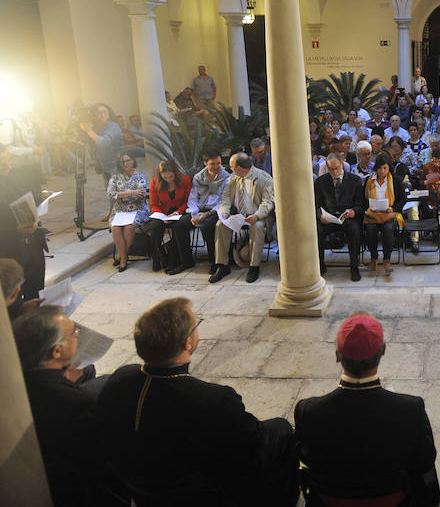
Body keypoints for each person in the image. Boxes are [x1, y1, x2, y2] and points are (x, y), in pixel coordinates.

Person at [96, 297, 299, 505]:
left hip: (140, 489)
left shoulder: (121, 377)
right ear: (188, 342)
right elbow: (252, 445)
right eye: (196, 325)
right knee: (280, 429)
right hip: (200, 496)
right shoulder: (214, 400)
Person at [294, 312, 440, 505]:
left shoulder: (308, 411)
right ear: (384, 350)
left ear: (337, 356)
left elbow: (307, 458)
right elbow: (424, 459)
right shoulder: (410, 409)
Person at [12, 306, 104, 505]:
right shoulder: (79, 404)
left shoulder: (12, 383)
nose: (77, 335)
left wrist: (61, 380)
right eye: (74, 333)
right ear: (56, 351)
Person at [209, 152, 275, 284]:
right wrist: (224, 212)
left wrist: (256, 216)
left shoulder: (264, 178)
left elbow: (268, 202)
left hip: (258, 216)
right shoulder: (233, 178)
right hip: (238, 216)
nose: (230, 169)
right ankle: (222, 265)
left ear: (239, 167)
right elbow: (225, 198)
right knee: (220, 225)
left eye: (232, 166)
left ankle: (254, 266)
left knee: (257, 226)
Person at [0, 143, 47, 299]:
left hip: (33, 244)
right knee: (14, 298)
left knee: (36, 291)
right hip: (9, 249)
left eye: (9, 161)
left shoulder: (14, 174)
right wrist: (15, 229)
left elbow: (25, 193)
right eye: (2, 164)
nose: (8, 167)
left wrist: (40, 195)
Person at [316, 153, 366, 281]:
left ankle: (354, 267)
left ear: (342, 165)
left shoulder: (355, 180)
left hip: (347, 217)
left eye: (337, 168)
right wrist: (320, 215)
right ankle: (320, 265)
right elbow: (316, 204)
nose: (334, 172)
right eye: (331, 169)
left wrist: (353, 211)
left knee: (354, 231)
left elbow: (361, 204)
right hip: (329, 218)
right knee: (317, 231)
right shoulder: (321, 181)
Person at [145, 159, 193, 274]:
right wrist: (161, 215)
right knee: (155, 226)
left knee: (178, 225)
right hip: (163, 213)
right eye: (165, 178)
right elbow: (154, 204)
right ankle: (157, 256)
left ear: (175, 173)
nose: (168, 180)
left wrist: (177, 213)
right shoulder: (155, 182)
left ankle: (174, 259)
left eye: (170, 177)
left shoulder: (185, 180)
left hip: (181, 211)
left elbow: (188, 201)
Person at [187, 149, 229, 273]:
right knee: (180, 224)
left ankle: (214, 260)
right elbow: (193, 197)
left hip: (216, 210)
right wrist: (194, 214)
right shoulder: (198, 177)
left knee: (207, 226)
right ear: (205, 163)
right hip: (200, 208)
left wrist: (206, 214)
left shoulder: (226, 177)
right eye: (212, 164)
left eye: (218, 163)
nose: (216, 166)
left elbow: (224, 201)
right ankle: (185, 260)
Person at [106, 150, 149, 272]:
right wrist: (131, 192)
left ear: (133, 160)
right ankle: (124, 255)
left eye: (127, 160)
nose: (125, 164)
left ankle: (122, 257)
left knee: (129, 227)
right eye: (122, 162)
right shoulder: (114, 177)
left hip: (138, 209)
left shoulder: (141, 176)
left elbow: (140, 195)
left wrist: (122, 195)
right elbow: (110, 193)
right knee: (115, 227)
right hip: (120, 210)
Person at [363, 154, 406, 275]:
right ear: (376, 168)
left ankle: (387, 259)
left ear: (389, 168)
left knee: (388, 229)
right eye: (380, 168)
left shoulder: (396, 180)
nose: (382, 171)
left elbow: (402, 199)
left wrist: (393, 208)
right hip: (373, 214)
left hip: (388, 214)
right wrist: (368, 209)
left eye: (385, 168)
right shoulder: (369, 181)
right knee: (371, 229)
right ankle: (374, 258)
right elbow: (363, 200)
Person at [79, 103, 122, 183]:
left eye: (105, 112)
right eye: (99, 113)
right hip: (105, 165)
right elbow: (93, 145)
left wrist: (88, 130)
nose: (103, 115)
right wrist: (98, 162)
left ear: (109, 113)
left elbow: (103, 142)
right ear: (94, 115)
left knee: (119, 192)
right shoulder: (97, 127)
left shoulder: (113, 126)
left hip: (116, 166)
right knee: (110, 192)